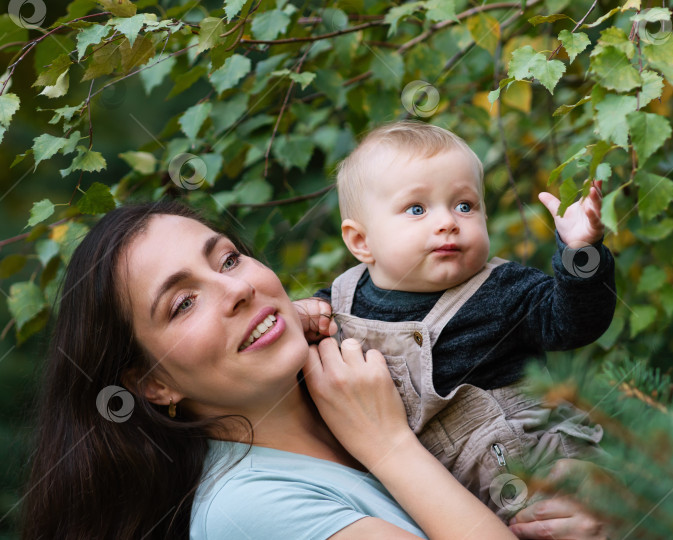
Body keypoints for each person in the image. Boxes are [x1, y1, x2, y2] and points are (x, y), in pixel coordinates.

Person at [20, 201, 606, 540]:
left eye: (227, 258)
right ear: (154, 384)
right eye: (182, 303)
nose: (235, 289)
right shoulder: (246, 509)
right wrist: (389, 448)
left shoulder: (361, 388)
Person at [296, 121, 616, 518]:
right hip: (437, 498)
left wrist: (579, 255)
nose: (448, 221)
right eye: (417, 209)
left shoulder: (502, 288)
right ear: (361, 241)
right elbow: (304, 341)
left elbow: (574, 324)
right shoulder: (341, 301)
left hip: (537, 473)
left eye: (465, 206)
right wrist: (298, 315)